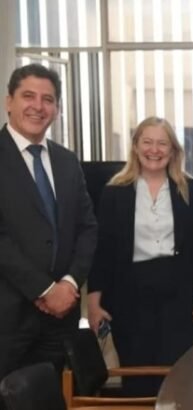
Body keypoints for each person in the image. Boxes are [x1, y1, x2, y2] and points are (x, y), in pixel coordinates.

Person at [87, 116, 193, 396]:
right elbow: (102, 252)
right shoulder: (114, 191)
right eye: (147, 142)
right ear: (135, 146)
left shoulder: (188, 189)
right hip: (129, 300)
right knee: (138, 381)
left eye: (162, 143)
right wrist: (94, 305)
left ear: (173, 150)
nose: (154, 150)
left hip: (178, 300)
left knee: (179, 380)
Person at [0, 64, 97, 387]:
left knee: (53, 397)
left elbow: (87, 228)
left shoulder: (67, 161)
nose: (38, 106)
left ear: (56, 109)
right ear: (9, 101)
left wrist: (69, 284)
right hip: (8, 319)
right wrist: (44, 290)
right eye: (28, 96)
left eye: (48, 99)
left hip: (60, 320)